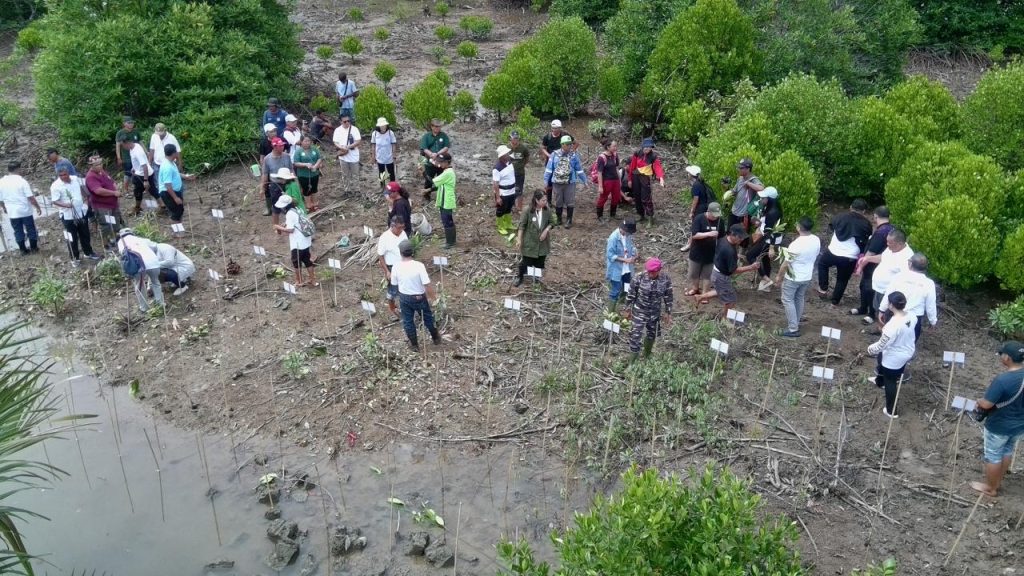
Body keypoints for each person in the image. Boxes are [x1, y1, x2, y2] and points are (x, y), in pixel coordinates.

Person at [970, 341, 1024, 497]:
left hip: (999, 425)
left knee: (993, 455)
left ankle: (991, 488)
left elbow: (987, 404)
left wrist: (979, 401)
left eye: (1002, 354)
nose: (1001, 356)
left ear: (1007, 358)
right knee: (1007, 450)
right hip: (1019, 425)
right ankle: (997, 481)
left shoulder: (1002, 380)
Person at [866, 291, 916, 418]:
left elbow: (881, 345)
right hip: (907, 351)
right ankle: (879, 381)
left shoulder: (893, 326)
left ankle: (891, 410)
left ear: (891, 305)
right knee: (884, 364)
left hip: (894, 356)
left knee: (891, 381)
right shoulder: (912, 316)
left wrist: (870, 349)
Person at [816, 198, 872, 306]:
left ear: (851, 207)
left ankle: (823, 288)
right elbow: (866, 240)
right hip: (850, 256)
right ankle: (835, 301)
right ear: (864, 211)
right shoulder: (866, 224)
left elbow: (831, 226)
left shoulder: (840, 216)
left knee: (822, 264)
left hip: (833, 251)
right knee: (842, 279)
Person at [391, 239, 441, 350]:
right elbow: (427, 285)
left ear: (400, 252)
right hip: (419, 297)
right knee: (428, 318)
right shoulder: (419, 266)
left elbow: (394, 284)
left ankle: (414, 345)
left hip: (404, 298)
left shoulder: (396, 267)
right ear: (412, 252)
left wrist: (393, 300)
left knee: (408, 321)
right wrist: (434, 298)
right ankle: (436, 338)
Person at [697, 224, 760, 311]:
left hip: (716, 271)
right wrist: (751, 267)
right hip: (721, 276)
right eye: (739, 237)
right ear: (732, 234)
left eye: (742, 237)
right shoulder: (729, 251)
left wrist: (736, 256)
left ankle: (700, 297)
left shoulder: (723, 239)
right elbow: (734, 270)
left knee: (721, 291)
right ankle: (725, 317)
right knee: (730, 300)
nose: (741, 239)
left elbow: (723, 255)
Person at [776, 217, 821, 337]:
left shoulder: (796, 245)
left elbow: (786, 263)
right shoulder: (816, 239)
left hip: (793, 277)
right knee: (799, 298)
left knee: (787, 300)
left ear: (799, 228)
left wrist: (779, 277)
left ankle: (793, 328)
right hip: (807, 276)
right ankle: (796, 320)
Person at [878, 253, 937, 342]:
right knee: (909, 344)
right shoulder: (929, 283)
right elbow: (931, 305)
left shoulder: (899, 277)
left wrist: (882, 310)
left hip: (895, 313)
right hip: (915, 318)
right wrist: (933, 321)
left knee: (889, 341)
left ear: (910, 263)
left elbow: (888, 295)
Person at [624, 258, 673, 362]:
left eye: (653, 272)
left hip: (654, 313)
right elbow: (631, 294)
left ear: (659, 270)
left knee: (652, 334)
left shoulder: (665, 279)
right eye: (649, 271)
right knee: (635, 336)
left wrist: (668, 312)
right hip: (639, 311)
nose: (650, 274)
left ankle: (647, 355)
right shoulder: (639, 277)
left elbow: (668, 296)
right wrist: (627, 309)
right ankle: (632, 363)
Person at [851, 206, 893, 324]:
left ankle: (871, 313)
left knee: (869, 288)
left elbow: (871, 252)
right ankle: (863, 308)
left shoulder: (880, 232)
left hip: (873, 265)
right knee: (864, 286)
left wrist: (860, 267)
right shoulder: (891, 229)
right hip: (882, 264)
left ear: (875, 216)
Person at [864, 228, 913, 327]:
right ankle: (880, 328)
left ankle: (886, 332)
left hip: (889, 292)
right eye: (887, 241)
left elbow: (905, 279)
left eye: (890, 242)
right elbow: (883, 257)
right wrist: (868, 258)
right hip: (879, 288)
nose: (887, 244)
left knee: (887, 314)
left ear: (899, 243)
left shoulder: (907, 257)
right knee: (878, 309)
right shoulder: (891, 248)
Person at [50, 166, 99, 265]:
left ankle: (88, 252)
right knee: (72, 237)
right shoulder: (55, 186)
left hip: (81, 212)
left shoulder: (76, 179)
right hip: (68, 215)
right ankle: (74, 258)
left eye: (65, 174)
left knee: (85, 233)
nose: (63, 177)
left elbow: (84, 189)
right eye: (61, 175)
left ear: (68, 173)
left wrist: (86, 202)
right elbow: (55, 201)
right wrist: (66, 205)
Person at [543, 135, 588, 228]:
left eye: (570, 144)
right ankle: (559, 219)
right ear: (562, 144)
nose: (569, 146)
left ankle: (569, 220)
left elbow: (579, 169)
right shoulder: (554, 154)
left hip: (570, 182)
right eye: (567, 144)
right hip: (557, 182)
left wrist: (584, 180)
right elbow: (549, 169)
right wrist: (546, 181)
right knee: (558, 201)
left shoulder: (574, 155)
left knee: (570, 201)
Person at [745, 186, 783, 292]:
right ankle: (766, 282)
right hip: (767, 236)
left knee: (750, 255)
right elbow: (769, 225)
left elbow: (773, 230)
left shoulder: (773, 212)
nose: (761, 199)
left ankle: (765, 279)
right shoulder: (772, 207)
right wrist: (760, 223)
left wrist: (771, 247)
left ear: (769, 198)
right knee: (765, 259)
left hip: (769, 239)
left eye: (763, 198)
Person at [273, 195, 316, 287]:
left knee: (296, 263)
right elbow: (296, 222)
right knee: (307, 260)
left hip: (297, 243)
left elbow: (291, 230)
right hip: (305, 240)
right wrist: (285, 224)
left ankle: (299, 281)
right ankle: (313, 280)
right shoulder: (297, 209)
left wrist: (278, 227)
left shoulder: (289, 214)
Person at [117, 228, 164, 312]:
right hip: (153, 262)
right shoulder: (141, 239)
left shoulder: (121, 241)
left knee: (140, 285)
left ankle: (144, 308)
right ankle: (160, 304)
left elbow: (124, 255)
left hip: (138, 265)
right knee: (156, 282)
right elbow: (155, 246)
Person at [0, 161, 42, 255]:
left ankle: (23, 250)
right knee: (30, 229)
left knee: (18, 231)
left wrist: (4, 208)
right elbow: (31, 197)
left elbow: (1, 199)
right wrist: (38, 207)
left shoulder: (1, 182)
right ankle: (34, 248)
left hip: (12, 212)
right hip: (25, 211)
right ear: (18, 169)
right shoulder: (22, 181)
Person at [686, 202, 725, 297]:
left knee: (707, 275)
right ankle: (695, 288)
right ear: (708, 211)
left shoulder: (720, 221)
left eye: (717, 215)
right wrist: (709, 234)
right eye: (713, 215)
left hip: (711, 252)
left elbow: (722, 237)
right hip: (697, 251)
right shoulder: (699, 218)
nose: (715, 217)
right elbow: (694, 235)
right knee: (694, 273)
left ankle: (704, 293)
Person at [515, 190, 553, 287]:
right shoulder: (527, 210)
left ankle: (536, 278)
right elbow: (521, 226)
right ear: (536, 200)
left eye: (546, 200)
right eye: (543, 200)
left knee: (540, 262)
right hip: (530, 242)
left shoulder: (547, 210)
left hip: (542, 243)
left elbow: (552, 222)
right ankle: (520, 277)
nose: (545, 202)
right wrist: (519, 239)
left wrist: (546, 230)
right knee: (526, 262)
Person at [85, 155, 122, 248]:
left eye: (100, 163)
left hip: (112, 204)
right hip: (102, 206)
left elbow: (110, 180)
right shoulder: (90, 177)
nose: (100, 166)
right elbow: (98, 190)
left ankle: (116, 239)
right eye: (97, 165)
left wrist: (115, 186)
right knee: (105, 225)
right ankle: (105, 244)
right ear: (91, 166)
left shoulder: (101, 171)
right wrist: (113, 193)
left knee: (115, 222)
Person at [627, 138, 665, 223]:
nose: (647, 149)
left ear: (651, 148)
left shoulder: (653, 156)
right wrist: (630, 179)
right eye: (646, 147)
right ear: (642, 146)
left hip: (646, 177)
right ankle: (641, 215)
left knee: (646, 198)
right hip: (636, 176)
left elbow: (658, 167)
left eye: (649, 147)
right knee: (637, 196)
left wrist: (661, 178)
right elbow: (632, 166)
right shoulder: (637, 153)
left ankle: (650, 217)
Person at [377, 216, 409, 318]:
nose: (401, 230)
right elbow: (380, 256)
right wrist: (387, 271)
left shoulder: (403, 234)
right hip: (392, 267)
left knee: (404, 288)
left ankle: (405, 308)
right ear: (392, 226)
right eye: (399, 227)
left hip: (403, 265)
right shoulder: (384, 237)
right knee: (393, 290)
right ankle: (392, 309)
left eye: (403, 227)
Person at [680, 165, 715, 253]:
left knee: (695, 226)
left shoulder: (696, 185)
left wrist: (692, 211)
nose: (687, 174)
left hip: (700, 208)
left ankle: (690, 244)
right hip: (705, 207)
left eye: (688, 173)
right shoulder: (701, 183)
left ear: (691, 175)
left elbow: (696, 199)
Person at [158, 144, 193, 231]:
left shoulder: (171, 162)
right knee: (176, 213)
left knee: (179, 210)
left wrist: (186, 176)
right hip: (168, 193)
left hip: (174, 191)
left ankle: (179, 230)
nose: (177, 153)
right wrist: (175, 198)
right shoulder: (167, 167)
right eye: (176, 152)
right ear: (173, 153)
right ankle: (176, 232)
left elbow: (176, 174)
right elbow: (167, 185)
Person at [605, 219, 637, 310]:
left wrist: (634, 254)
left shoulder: (627, 236)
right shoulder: (613, 238)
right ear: (624, 229)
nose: (629, 234)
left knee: (626, 287)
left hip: (627, 269)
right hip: (617, 270)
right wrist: (625, 260)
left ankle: (622, 306)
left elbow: (631, 247)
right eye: (628, 232)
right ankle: (611, 312)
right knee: (616, 290)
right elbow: (610, 255)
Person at [725, 158, 765, 229]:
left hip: (744, 215)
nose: (739, 169)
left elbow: (761, 188)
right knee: (729, 232)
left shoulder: (753, 179)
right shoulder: (740, 178)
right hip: (734, 211)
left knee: (741, 235)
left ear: (748, 169)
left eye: (741, 168)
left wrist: (749, 183)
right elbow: (734, 191)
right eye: (739, 167)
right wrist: (727, 189)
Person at [122, 139, 157, 215]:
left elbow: (144, 166)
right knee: (152, 190)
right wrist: (134, 168)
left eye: (123, 145)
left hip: (143, 174)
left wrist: (145, 180)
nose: (123, 147)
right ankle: (162, 205)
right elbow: (138, 162)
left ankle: (137, 208)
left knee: (138, 192)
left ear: (127, 143)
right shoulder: (133, 147)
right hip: (142, 172)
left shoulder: (137, 151)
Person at [261, 138, 294, 217]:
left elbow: (291, 170)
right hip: (275, 185)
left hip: (288, 184)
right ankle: (276, 223)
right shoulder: (267, 159)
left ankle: (290, 221)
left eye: (282, 145)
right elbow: (265, 174)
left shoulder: (287, 156)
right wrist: (262, 188)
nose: (282, 147)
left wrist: (296, 183)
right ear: (274, 146)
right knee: (276, 207)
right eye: (280, 146)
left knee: (290, 205)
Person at [419, 119, 450, 200]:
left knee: (441, 179)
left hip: (442, 162)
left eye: (439, 126)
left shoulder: (443, 135)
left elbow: (446, 147)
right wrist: (431, 154)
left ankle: (441, 195)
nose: (438, 128)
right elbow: (424, 148)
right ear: (432, 126)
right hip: (430, 162)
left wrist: (437, 153)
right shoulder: (426, 136)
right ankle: (426, 195)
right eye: (436, 126)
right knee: (428, 179)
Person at [433, 153, 457, 249]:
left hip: (446, 201)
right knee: (448, 221)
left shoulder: (447, 173)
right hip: (446, 200)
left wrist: (423, 173)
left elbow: (433, 182)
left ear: (447, 162)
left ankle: (450, 243)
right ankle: (451, 241)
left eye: (442, 162)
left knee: (447, 221)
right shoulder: (448, 171)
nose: (440, 164)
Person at [294, 136, 323, 212]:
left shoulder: (314, 149)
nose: (307, 143)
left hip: (314, 173)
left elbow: (319, 158)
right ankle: (308, 205)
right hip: (303, 175)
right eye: (305, 141)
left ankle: (315, 204)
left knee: (314, 189)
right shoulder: (298, 151)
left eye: (308, 141)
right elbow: (296, 163)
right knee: (306, 190)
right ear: (301, 142)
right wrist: (305, 164)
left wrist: (316, 166)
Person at [333, 113, 361, 193]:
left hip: (354, 156)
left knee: (355, 174)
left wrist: (348, 146)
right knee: (345, 175)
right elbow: (335, 142)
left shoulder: (354, 129)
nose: (347, 123)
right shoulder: (337, 130)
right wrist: (341, 147)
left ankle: (356, 190)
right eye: (345, 121)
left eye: (348, 121)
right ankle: (347, 190)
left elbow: (358, 141)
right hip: (343, 157)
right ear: (341, 122)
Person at [594, 139, 621, 223]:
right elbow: (599, 173)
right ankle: (600, 216)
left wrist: (619, 180)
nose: (616, 148)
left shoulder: (615, 155)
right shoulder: (602, 157)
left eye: (616, 146)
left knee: (616, 197)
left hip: (615, 180)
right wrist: (600, 186)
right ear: (608, 147)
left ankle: (613, 214)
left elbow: (616, 168)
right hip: (607, 181)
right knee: (603, 198)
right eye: (614, 146)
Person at [115, 116, 141, 195]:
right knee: (127, 173)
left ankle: (138, 187)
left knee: (138, 171)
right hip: (126, 157)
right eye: (129, 123)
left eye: (132, 122)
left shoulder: (136, 132)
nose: (131, 124)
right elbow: (118, 146)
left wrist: (146, 152)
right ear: (124, 123)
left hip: (137, 156)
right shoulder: (120, 133)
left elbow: (140, 142)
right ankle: (125, 189)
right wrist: (119, 157)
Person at [370, 117, 398, 183]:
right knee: (381, 173)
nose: (383, 127)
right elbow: (373, 145)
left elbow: (393, 145)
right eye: (381, 125)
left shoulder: (390, 133)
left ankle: (392, 186)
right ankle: (382, 186)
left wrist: (394, 156)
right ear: (379, 126)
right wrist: (373, 157)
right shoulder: (375, 133)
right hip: (380, 157)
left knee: (391, 173)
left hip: (389, 157)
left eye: (384, 125)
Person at [493, 145, 517, 218]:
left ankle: (508, 223)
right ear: (502, 156)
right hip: (503, 193)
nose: (508, 155)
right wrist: (498, 197)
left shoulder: (510, 163)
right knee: (501, 210)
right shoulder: (497, 168)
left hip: (511, 191)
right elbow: (495, 183)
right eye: (506, 154)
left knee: (508, 209)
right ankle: (500, 224)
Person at [508, 131, 529, 211]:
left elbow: (527, 157)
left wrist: (522, 165)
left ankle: (519, 207)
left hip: (520, 172)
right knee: (510, 189)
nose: (515, 140)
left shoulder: (523, 148)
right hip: (509, 173)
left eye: (517, 138)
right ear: (510, 138)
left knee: (519, 190)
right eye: (514, 138)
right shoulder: (507, 148)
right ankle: (511, 205)